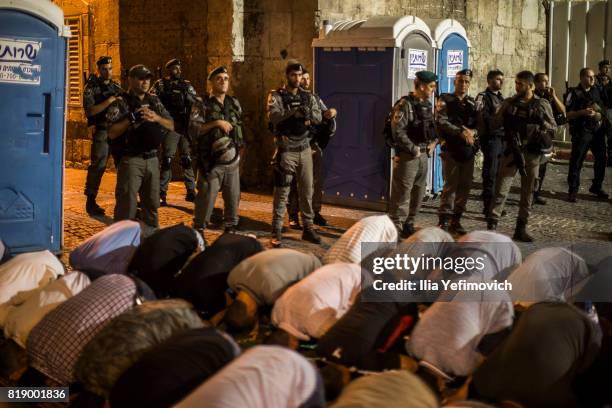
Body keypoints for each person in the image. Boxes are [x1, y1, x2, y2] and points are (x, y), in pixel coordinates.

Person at [487, 71, 556, 242]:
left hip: (532, 154)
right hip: (512, 152)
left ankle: (521, 228)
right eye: (516, 83)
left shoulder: (541, 104)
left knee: (528, 193)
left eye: (521, 84)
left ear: (530, 86)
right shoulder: (510, 103)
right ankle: (492, 227)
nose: (517, 86)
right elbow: (494, 123)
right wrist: (502, 113)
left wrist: (541, 120)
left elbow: (554, 128)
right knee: (501, 190)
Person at [106, 64, 174, 229]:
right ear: (131, 79)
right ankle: (121, 247)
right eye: (141, 78)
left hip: (152, 160)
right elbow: (111, 132)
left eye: (148, 79)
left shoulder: (154, 100)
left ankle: (150, 245)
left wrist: (156, 118)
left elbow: (171, 124)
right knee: (126, 207)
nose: (145, 82)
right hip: (131, 161)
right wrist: (130, 119)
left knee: (152, 206)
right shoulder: (121, 102)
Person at [267, 61, 323, 246]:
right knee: (282, 193)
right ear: (287, 76)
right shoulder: (277, 96)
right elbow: (274, 117)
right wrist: (293, 114)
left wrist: (306, 116)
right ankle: (276, 231)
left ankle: (308, 228)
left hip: (305, 149)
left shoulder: (308, 96)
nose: (298, 79)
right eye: (294, 75)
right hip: (287, 150)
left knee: (307, 191)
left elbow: (318, 117)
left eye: (300, 75)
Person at [190, 66, 243, 238]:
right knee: (205, 201)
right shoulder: (201, 103)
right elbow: (194, 130)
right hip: (210, 163)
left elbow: (240, 130)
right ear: (211, 81)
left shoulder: (233, 103)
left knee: (233, 202)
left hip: (232, 161)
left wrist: (240, 156)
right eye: (219, 78)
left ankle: (230, 233)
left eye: (226, 78)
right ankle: (198, 235)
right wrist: (217, 123)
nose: (223, 81)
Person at [387, 71, 438, 239]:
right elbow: (398, 131)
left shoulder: (427, 105)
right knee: (402, 193)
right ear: (421, 86)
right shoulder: (404, 105)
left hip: (423, 155)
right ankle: (395, 227)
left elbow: (431, 128)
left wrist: (433, 143)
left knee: (418, 192)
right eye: (431, 86)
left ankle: (409, 223)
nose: (433, 89)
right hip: (408, 156)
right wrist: (412, 148)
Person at [223, 248, 321, 334]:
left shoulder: (272, 293)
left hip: (315, 269)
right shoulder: (232, 278)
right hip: (293, 254)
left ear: (252, 312)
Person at [287, 68, 337, 228]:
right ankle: (293, 214)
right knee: (295, 182)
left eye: (308, 79)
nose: (306, 82)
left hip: (313, 145)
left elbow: (324, 114)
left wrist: (331, 113)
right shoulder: (289, 97)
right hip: (296, 145)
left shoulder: (313, 97)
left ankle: (314, 212)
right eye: (303, 78)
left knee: (316, 181)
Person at [436, 69, 478, 235]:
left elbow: (479, 124)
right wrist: (461, 131)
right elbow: (441, 121)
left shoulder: (472, 103)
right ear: (455, 82)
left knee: (465, 187)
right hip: (451, 150)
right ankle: (444, 221)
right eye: (460, 81)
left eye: (466, 81)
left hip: (468, 151)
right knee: (450, 187)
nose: (463, 84)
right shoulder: (445, 99)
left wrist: (473, 132)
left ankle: (457, 220)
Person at [151, 59, 197, 205]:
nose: (178, 71)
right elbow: (152, 101)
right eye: (175, 68)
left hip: (184, 126)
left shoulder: (186, 85)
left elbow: (195, 101)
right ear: (169, 69)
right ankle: (162, 193)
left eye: (179, 68)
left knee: (187, 159)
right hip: (170, 126)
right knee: (167, 159)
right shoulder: (160, 84)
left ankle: (191, 190)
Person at [82, 56, 123, 215]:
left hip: (118, 131)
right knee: (98, 166)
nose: (108, 72)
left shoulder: (116, 86)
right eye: (105, 69)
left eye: (110, 68)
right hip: (102, 131)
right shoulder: (91, 87)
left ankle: (124, 201)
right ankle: (90, 201)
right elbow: (90, 111)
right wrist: (109, 101)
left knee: (124, 166)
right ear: (99, 69)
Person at [566, 67, 608, 202]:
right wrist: (582, 112)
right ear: (582, 78)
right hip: (582, 131)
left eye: (593, 77)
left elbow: (603, 109)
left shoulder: (597, 91)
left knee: (602, 159)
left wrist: (598, 115)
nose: (592, 79)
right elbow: (567, 114)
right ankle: (573, 190)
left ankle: (596, 186)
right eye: (589, 77)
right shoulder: (574, 93)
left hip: (597, 132)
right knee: (577, 161)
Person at [533, 72, 566, 205]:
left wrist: (554, 96)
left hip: (546, 137)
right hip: (534, 136)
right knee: (533, 167)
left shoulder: (549, 96)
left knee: (543, 167)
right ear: (536, 83)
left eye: (547, 81)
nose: (545, 84)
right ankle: (530, 194)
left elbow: (563, 111)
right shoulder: (532, 96)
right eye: (542, 81)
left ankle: (536, 194)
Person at [476, 70, 505, 216]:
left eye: (502, 79)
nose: (501, 82)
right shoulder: (484, 97)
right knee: (491, 173)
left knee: (500, 174)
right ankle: (488, 206)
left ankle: (496, 205)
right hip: (491, 138)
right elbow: (482, 117)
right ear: (489, 80)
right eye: (498, 79)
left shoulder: (501, 97)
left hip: (502, 138)